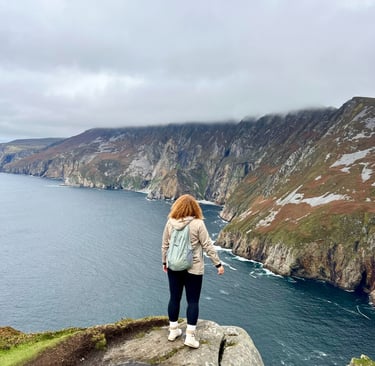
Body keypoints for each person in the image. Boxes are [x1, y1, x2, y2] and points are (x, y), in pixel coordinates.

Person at [162, 194, 225, 348]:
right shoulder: (198, 224)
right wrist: (218, 264)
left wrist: (164, 262)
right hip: (194, 268)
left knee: (174, 298)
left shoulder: (170, 223)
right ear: (195, 208)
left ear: (177, 206)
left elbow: (165, 244)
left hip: (174, 266)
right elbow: (207, 245)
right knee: (193, 301)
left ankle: (173, 331)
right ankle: (190, 337)